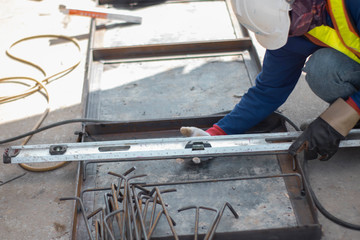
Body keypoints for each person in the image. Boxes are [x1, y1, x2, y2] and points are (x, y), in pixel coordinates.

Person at [180, 0, 360, 161]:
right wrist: (215, 135)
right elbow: (268, 91)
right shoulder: (291, 27)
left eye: (286, 26)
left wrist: (337, 121)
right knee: (323, 70)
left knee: (324, 67)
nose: (288, 34)